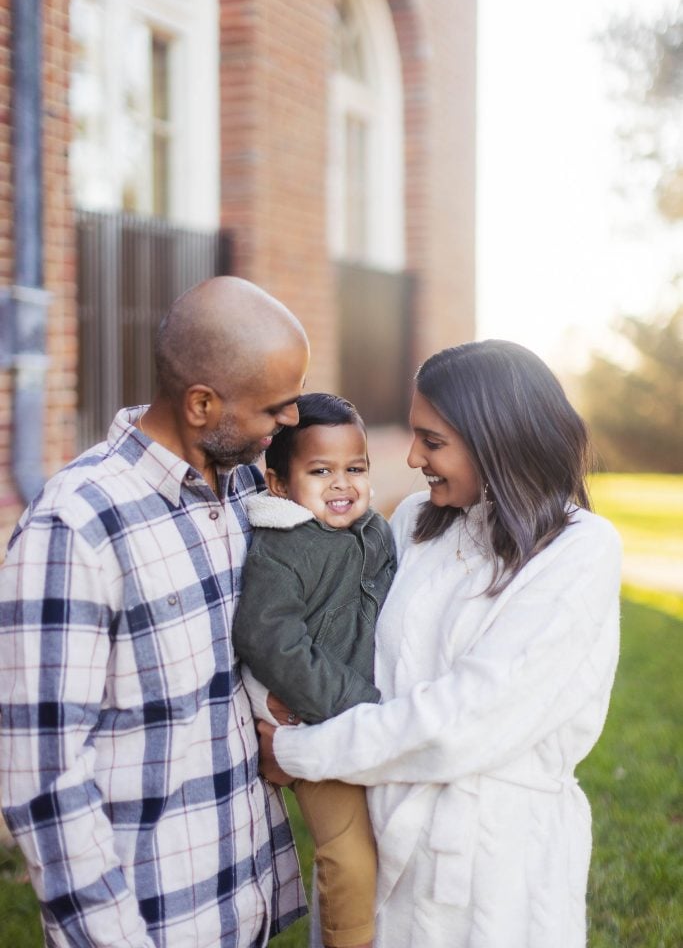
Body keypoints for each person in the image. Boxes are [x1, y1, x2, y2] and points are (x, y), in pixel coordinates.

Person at [258, 339, 622, 948]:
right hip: (382, 831)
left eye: (432, 441)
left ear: (494, 439)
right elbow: (350, 637)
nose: (412, 456)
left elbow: (466, 720)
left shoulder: (579, 549)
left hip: (487, 870)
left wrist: (305, 750)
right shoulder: (417, 523)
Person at [0, 276, 310, 948]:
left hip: (239, 906)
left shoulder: (244, 495)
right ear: (202, 403)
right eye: (275, 410)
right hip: (153, 925)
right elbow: (41, 776)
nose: (289, 424)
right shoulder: (75, 527)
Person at [233, 392, 396, 948]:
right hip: (313, 724)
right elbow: (269, 641)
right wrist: (360, 702)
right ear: (278, 484)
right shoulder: (281, 549)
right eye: (320, 471)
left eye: (355, 469)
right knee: (348, 854)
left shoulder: (377, 534)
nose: (342, 485)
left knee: (394, 840)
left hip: (374, 722)